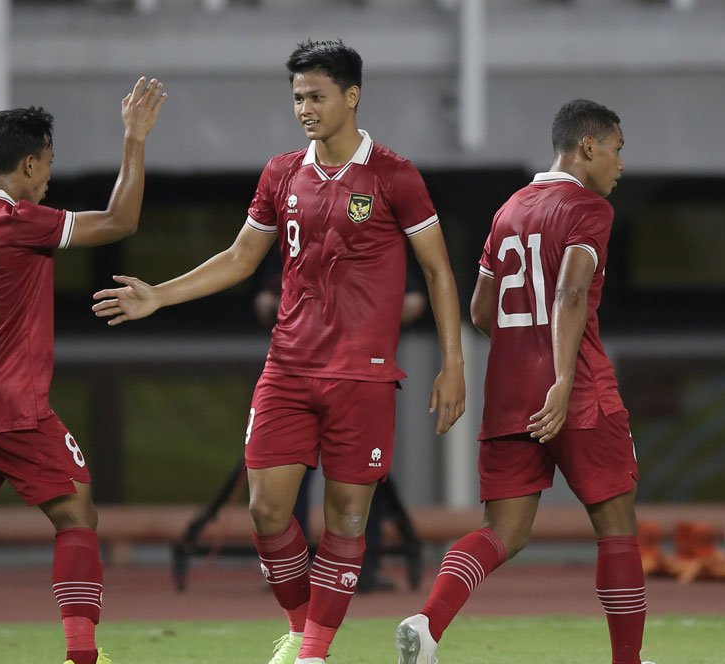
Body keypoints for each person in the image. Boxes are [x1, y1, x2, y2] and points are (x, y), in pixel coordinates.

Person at [92, 39, 465, 664]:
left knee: (347, 520)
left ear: (352, 96)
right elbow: (241, 258)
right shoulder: (281, 173)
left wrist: (453, 364)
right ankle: (301, 630)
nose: (305, 109)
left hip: (363, 377)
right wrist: (158, 295)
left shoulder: (394, 176)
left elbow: (438, 273)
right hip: (288, 368)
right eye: (297, 97)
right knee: (266, 510)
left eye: (317, 96)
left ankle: (311, 653)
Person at [0, 77, 166, 664]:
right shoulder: (21, 220)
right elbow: (120, 220)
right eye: (47, 164)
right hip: (9, 403)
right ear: (27, 164)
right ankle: (82, 657)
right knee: (76, 512)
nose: (48, 176)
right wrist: (134, 139)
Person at [396, 99, 653, 664]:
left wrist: (526, 353)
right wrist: (561, 377)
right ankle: (627, 662)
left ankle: (428, 623)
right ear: (588, 146)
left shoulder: (508, 211)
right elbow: (570, 292)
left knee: (502, 532)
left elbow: (482, 310)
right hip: (578, 391)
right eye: (617, 149)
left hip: (510, 394)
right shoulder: (589, 210)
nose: (620, 164)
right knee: (616, 527)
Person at [255, 246, 428, 593]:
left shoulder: (371, 238)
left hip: (359, 372)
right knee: (280, 489)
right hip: (297, 369)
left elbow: (414, 299)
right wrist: (292, 310)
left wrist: (361, 314)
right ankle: (294, 572)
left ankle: (364, 566)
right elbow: (262, 298)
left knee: (361, 484)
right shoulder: (293, 232)